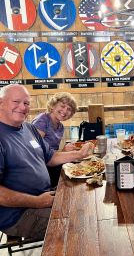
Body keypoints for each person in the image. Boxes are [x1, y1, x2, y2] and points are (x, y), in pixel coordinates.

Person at [0, 84, 94, 239]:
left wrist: (79, 154)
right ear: (1, 103)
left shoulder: (28, 129)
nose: (22, 107)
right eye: (16, 102)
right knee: (80, 223)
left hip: (45, 194)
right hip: (19, 214)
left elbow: (51, 157)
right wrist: (37, 201)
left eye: (26, 103)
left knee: (85, 200)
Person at [32, 92, 78, 187]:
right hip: (40, 167)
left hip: (52, 164)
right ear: (52, 106)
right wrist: (63, 152)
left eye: (69, 109)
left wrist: (64, 151)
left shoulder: (60, 126)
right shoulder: (42, 120)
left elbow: (52, 151)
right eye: (62, 106)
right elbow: (34, 149)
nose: (65, 111)